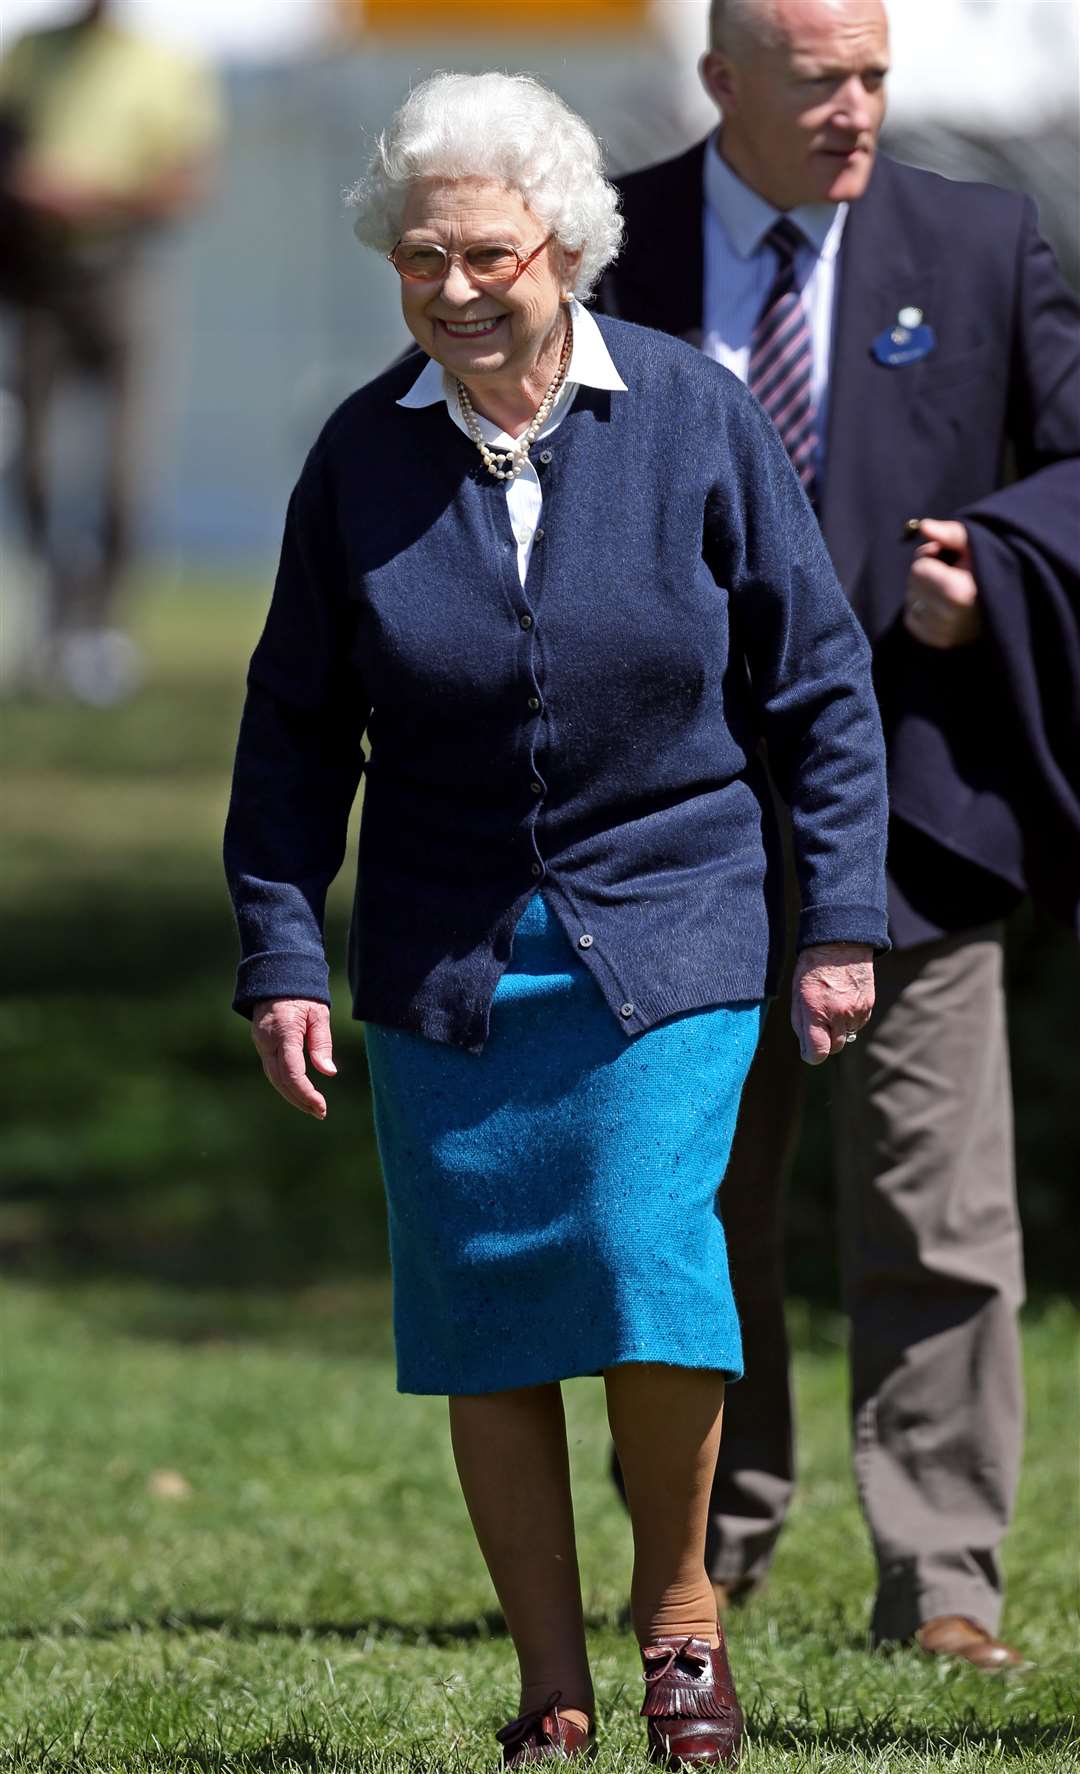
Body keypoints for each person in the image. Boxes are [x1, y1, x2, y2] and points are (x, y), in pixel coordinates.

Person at [224, 70, 888, 1769]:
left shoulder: (688, 412)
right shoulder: (358, 458)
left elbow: (814, 680)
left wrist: (839, 919)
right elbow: (298, 722)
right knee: (484, 1309)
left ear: (566, 249)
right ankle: (549, 1681)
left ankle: (678, 1622)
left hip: (672, 914)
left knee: (637, 1246)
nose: (453, 288)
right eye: (420, 255)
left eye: (489, 254)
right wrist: (284, 948)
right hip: (446, 951)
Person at [597, 0, 1080, 1672]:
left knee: (939, 1213)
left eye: (875, 75)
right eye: (821, 82)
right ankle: (701, 1556)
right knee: (694, 1209)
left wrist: (996, 574)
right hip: (671, 828)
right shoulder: (607, 242)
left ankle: (944, 1578)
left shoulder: (981, 236)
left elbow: (1079, 464)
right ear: (725, 83)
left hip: (921, 815)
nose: (858, 109)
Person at [0, 0, 221, 703]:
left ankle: (101, 629)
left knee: (124, 469)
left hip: (121, 271)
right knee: (31, 461)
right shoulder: (29, 51)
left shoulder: (167, 62)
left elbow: (188, 183)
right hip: (36, 273)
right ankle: (54, 622)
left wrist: (92, 198)